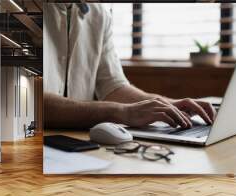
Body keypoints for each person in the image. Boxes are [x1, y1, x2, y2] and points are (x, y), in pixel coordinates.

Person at [44, 3, 216, 129]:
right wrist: (121, 112)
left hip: (74, 142)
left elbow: (113, 86)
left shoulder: (99, 14)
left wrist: (169, 105)